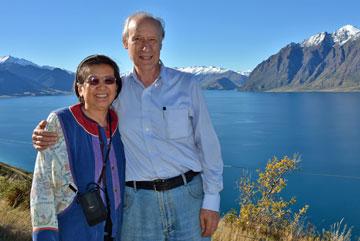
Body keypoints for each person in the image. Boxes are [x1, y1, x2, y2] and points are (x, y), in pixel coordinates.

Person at [32, 12, 223, 241]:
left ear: (161, 43)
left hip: (188, 197)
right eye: (137, 39)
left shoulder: (187, 85)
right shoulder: (116, 91)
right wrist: (49, 130)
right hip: (137, 206)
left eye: (152, 40)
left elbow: (208, 144)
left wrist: (212, 200)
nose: (146, 47)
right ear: (125, 43)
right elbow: (88, 107)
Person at [30, 55, 125, 241]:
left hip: (114, 228)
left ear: (116, 87)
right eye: (93, 80)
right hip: (73, 229)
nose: (102, 86)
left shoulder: (118, 122)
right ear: (80, 89)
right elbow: (42, 185)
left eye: (109, 80)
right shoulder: (61, 122)